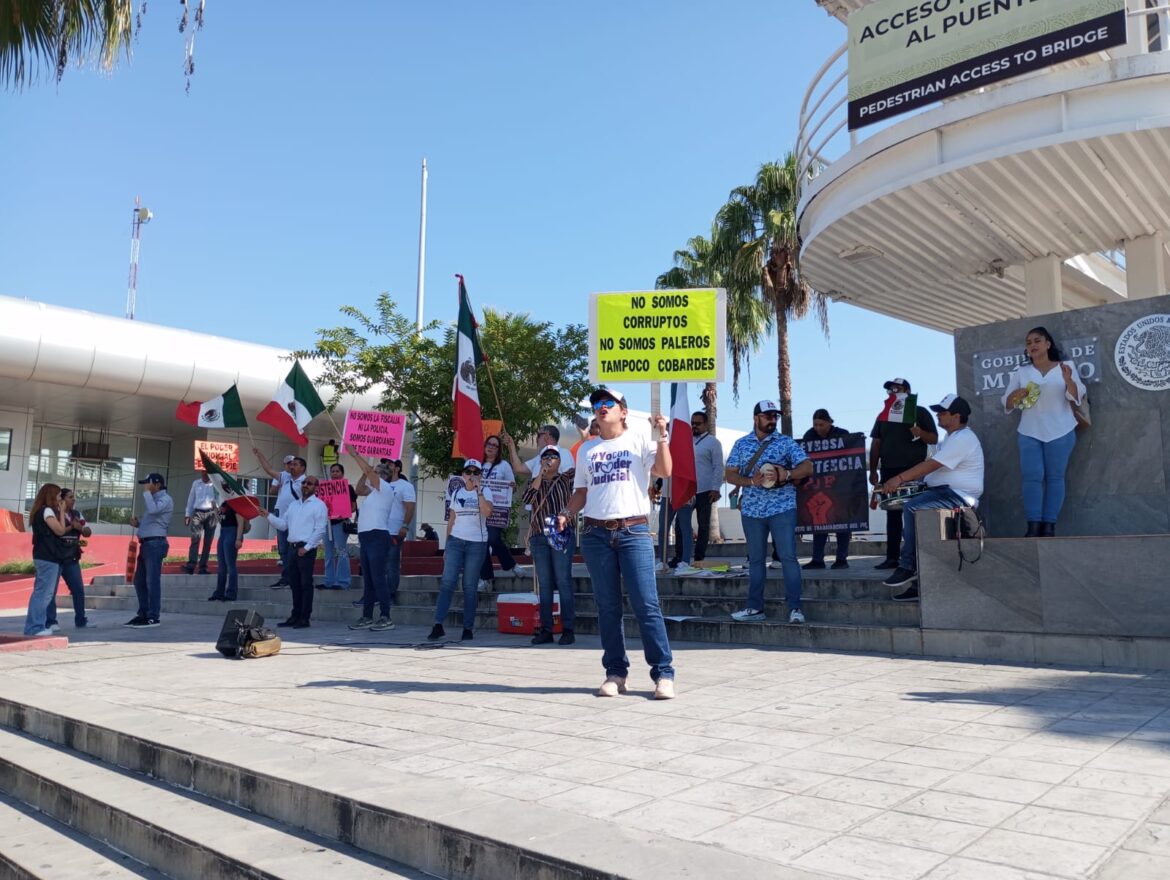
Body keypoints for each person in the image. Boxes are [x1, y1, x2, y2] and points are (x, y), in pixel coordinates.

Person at [556, 387, 676, 699]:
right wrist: (568, 512)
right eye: (597, 403)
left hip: (633, 531)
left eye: (608, 402)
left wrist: (662, 436)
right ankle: (615, 672)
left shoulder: (640, 437)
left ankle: (663, 673)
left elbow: (664, 470)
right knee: (607, 606)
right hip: (595, 534)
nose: (601, 407)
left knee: (646, 604)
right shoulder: (586, 450)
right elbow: (581, 491)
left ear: (623, 410)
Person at [880, 394, 985, 600]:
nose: (938, 415)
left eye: (942, 412)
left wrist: (899, 478)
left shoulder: (963, 438)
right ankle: (918, 585)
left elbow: (931, 465)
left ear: (956, 417)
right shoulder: (952, 438)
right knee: (910, 511)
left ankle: (907, 566)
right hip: (944, 492)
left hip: (959, 496)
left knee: (912, 507)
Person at [725, 400, 814, 625]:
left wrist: (788, 473)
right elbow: (730, 474)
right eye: (768, 416)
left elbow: (808, 466)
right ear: (756, 418)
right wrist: (750, 481)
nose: (773, 420)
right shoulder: (741, 444)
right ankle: (755, 608)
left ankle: (795, 608)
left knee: (788, 558)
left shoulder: (785, 442)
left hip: (782, 508)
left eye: (775, 416)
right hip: (752, 510)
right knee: (755, 560)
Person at [1002, 326, 1086, 537]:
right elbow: (1007, 403)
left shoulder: (1066, 367)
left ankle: (1049, 525)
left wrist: (1068, 381)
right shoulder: (1022, 372)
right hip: (1029, 431)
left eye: (1037, 341)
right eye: (1029, 342)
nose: (1032, 345)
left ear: (1048, 344)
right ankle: (1033, 525)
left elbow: (1077, 396)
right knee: (1031, 477)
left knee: (1055, 477)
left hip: (1061, 430)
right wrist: (1015, 395)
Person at [869, 378, 938, 570]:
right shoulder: (883, 416)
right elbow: (876, 444)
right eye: (890, 390)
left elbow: (933, 438)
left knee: (915, 513)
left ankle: (918, 556)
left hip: (914, 469)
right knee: (892, 514)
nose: (892, 392)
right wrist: (873, 469)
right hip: (889, 470)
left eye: (896, 388)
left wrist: (920, 432)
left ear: (907, 390)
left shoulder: (920, 411)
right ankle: (892, 557)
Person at [429, 458, 493, 642]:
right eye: (468, 472)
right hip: (456, 541)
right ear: (463, 474)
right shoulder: (457, 492)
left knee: (469, 586)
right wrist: (447, 546)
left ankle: (468, 627)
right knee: (447, 582)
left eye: (476, 472)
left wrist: (479, 490)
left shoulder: (486, 491)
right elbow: (452, 519)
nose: (471, 475)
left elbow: (488, 512)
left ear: (480, 475)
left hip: (476, 542)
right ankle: (438, 625)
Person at [521, 445, 576, 645]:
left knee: (563, 581)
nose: (550, 459)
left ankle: (568, 630)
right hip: (539, 536)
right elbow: (526, 499)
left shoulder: (567, 478)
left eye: (554, 456)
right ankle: (546, 630)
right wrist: (539, 475)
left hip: (561, 534)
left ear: (560, 461)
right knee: (544, 585)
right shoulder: (535, 483)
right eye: (546, 456)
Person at [264, 474, 328, 628]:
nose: (305, 485)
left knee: (306, 584)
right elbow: (283, 525)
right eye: (304, 483)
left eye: (310, 483)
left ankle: (304, 618)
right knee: (294, 584)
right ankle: (295, 615)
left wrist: (306, 548)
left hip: (306, 548)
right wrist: (268, 516)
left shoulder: (319, 505)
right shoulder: (293, 505)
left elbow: (320, 530)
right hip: (292, 549)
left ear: (316, 488)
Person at [348, 456, 397, 632]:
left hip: (378, 535)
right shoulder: (372, 492)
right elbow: (359, 489)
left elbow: (370, 473)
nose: (372, 475)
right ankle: (367, 616)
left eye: (376, 473)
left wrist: (354, 453)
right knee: (368, 579)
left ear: (384, 476)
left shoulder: (386, 489)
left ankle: (386, 616)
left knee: (378, 577)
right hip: (366, 536)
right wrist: (364, 473)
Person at [802, 408, 853, 570]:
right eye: (815, 424)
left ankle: (842, 559)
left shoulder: (843, 434)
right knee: (819, 521)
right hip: (819, 485)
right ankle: (817, 559)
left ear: (830, 422)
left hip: (840, 485)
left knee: (843, 522)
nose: (818, 428)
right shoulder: (809, 436)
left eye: (821, 424)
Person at [124, 473, 174, 628]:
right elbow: (154, 522)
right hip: (147, 544)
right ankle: (143, 614)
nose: (146, 486)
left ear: (157, 484)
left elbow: (153, 511)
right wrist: (138, 524)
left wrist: (146, 493)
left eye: (148, 483)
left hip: (155, 544)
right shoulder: (155, 500)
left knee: (152, 581)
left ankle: (153, 616)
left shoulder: (165, 499)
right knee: (139, 580)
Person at [253, 450, 305, 588]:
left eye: (295, 464)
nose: (292, 466)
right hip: (281, 518)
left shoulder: (306, 483)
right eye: (290, 464)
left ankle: (296, 577)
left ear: (302, 468)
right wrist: (260, 455)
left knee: (295, 549)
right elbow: (269, 469)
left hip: (296, 520)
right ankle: (286, 577)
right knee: (283, 549)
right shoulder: (284, 477)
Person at [24, 483, 70, 637]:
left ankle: (35, 625)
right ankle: (35, 627)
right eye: (58, 496)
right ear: (51, 496)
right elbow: (60, 530)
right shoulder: (47, 511)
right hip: (48, 557)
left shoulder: (39, 511)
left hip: (42, 556)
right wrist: (62, 511)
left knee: (41, 592)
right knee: (44, 593)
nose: (60, 499)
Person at [47, 488, 92, 629]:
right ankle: (51, 622)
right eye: (70, 497)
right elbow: (57, 532)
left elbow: (88, 533)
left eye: (74, 497)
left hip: (71, 558)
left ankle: (81, 620)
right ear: (62, 499)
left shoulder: (77, 514)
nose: (74, 500)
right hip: (55, 558)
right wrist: (71, 526)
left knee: (78, 589)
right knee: (50, 592)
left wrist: (81, 528)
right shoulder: (52, 513)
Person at [476, 435, 518, 589]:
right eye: (489, 444)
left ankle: (510, 564)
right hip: (479, 508)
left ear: (499, 449)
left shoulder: (504, 465)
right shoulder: (477, 465)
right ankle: (486, 577)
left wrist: (511, 486)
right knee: (482, 542)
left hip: (498, 508)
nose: (491, 447)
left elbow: (512, 486)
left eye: (495, 445)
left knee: (493, 539)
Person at [690, 411, 724, 563]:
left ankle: (699, 557)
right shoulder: (686, 441)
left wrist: (716, 488)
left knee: (703, 525)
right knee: (680, 525)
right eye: (693, 423)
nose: (694, 426)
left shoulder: (713, 442)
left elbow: (718, 466)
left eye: (698, 423)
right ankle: (679, 557)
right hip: (687, 490)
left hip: (705, 490)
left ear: (705, 424)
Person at [381, 458, 416, 605]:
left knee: (391, 564)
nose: (386, 466)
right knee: (377, 565)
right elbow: (360, 491)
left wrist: (405, 526)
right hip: (378, 530)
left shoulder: (405, 486)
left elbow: (410, 507)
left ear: (397, 468)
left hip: (394, 531)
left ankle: (390, 595)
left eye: (389, 464)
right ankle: (378, 594)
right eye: (384, 464)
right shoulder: (380, 484)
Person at [322, 463, 357, 590]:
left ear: (342, 474)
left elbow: (353, 506)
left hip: (340, 523)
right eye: (333, 471)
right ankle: (329, 581)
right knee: (328, 553)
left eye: (337, 471)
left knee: (341, 551)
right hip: (327, 523)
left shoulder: (348, 488)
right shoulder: (325, 488)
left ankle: (343, 581)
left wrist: (344, 514)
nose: (335, 474)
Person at [207, 495, 244, 602]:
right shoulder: (225, 504)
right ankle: (219, 592)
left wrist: (238, 538)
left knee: (230, 564)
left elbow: (240, 521)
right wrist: (215, 509)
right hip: (223, 531)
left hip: (232, 531)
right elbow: (221, 519)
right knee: (221, 565)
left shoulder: (236, 503)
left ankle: (231, 593)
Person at [183, 470, 220, 575]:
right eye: (202, 473)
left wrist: (220, 515)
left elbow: (220, 499)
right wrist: (187, 514)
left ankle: (203, 567)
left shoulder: (215, 484)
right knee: (195, 538)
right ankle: (191, 565)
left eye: (206, 473)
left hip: (212, 514)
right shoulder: (196, 483)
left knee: (208, 542)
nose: (204, 475)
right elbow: (191, 499)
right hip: (198, 513)